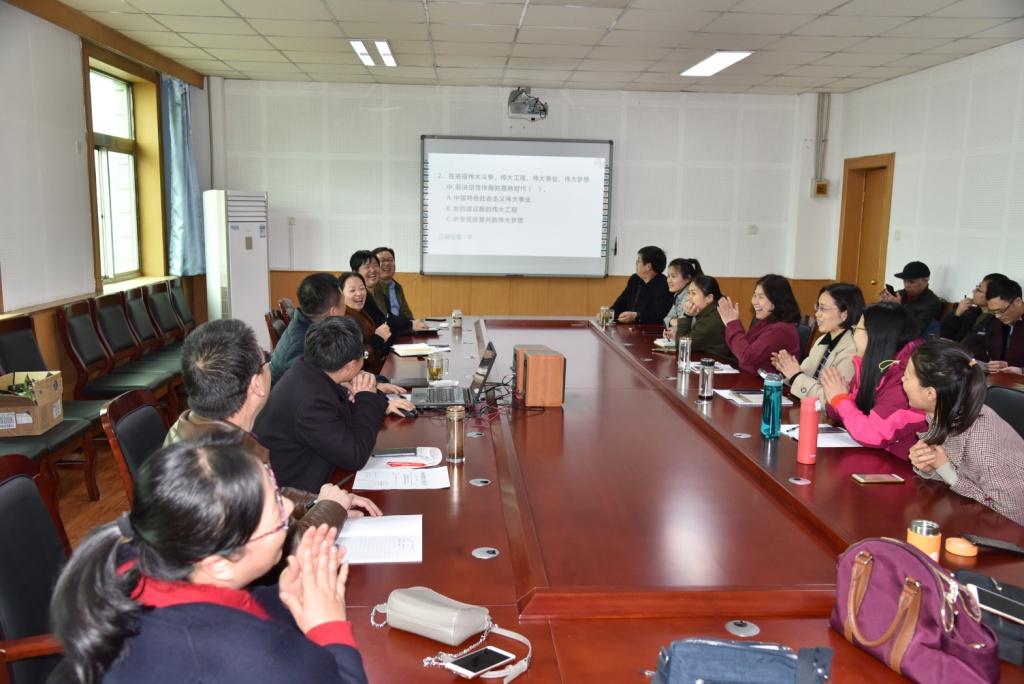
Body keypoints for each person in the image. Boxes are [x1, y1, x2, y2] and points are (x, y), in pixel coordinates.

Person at [48, 434, 368, 684]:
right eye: (278, 519)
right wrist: (329, 625)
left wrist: (284, 598)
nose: (287, 507)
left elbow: (231, 607)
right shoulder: (240, 653)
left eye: (274, 489)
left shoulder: (143, 560)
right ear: (218, 564)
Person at [166, 319, 380, 546]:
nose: (271, 366)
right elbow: (279, 549)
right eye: (267, 360)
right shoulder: (220, 467)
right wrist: (331, 509)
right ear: (256, 385)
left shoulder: (203, 428)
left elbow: (266, 495)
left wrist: (316, 501)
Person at [255, 317, 394, 492]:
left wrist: (362, 394)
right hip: (298, 496)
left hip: (323, 470)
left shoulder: (309, 368)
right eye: (363, 356)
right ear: (349, 366)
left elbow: (346, 419)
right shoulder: (311, 402)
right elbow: (356, 456)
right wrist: (366, 397)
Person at [904, 339, 1024, 525]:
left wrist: (946, 471)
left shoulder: (982, 444)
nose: (902, 380)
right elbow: (959, 474)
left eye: (907, 377)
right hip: (966, 518)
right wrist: (930, 467)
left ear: (930, 394)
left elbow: (1010, 516)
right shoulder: (947, 411)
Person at [820, 302, 927, 460]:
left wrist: (841, 400)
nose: (853, 335)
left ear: (875, 336)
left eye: (857, 329)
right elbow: (837, 413)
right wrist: (838, 398)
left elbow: (875, 434)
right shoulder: (871, 363)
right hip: (872, 455)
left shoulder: (906, 377)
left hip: (899, 465)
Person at [771, 283, 863, 404]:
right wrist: (788, 369)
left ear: (844, 314)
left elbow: (830, 401)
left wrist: (795, 375)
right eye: (818, 307)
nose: (817, 314)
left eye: (823, 309)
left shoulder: (853, 350)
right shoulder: (823, 340)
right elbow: (805, 375)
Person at [718, 274, 801, 375]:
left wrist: (732, 323)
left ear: (777, 300)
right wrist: (729, 324)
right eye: (754, 295)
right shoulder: (766, 321)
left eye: (761, 297)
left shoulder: (782, 329)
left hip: (766, 384)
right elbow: (742, 347)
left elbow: (747, 356)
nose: (754, 302)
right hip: (749, 378)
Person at [269, 273, 344, 385]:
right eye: (344, 303)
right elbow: (307, 389)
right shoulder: (301, 347)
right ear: (333, 312)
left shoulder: (309, 325)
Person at [350, 250, 428, 335]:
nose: (372, 270)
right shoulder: (358, 297)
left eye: (375, 265)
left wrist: (413, 324)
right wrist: (411, 324)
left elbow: (390, 319)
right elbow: (380, 322)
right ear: (355, 272)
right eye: (367, 267)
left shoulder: (382, 295)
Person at [940, 272, 1007, 361]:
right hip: (952, 356)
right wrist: (957, 314)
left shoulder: (999, 321)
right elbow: (944, 335)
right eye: (976, 287)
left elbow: (987, 353)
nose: (973, 291)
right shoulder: (970, 312)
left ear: (993, 296)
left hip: (970, 362)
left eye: (979, 290)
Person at [339, 271, 391, 375]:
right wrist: (378, 339)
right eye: (352, 290)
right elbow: (357, 357)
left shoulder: (361, 312)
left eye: (362, 288)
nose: (359, 293)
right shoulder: (344, 321)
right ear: (341, 294)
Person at [675, 275, 735, 363]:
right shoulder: (713, 311)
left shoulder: (712, 320)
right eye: (689, 293)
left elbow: (682, 345)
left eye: (693, 293)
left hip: (723, 365)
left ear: (709, 298)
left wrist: (687, 316)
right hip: (712, 360)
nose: (689, 298)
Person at [610, 245, 674, 324]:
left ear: (648, 266)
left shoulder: (664, 284)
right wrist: (609, 314)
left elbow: (660, 314)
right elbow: (621, 303)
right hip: (631, 327)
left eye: (638, 261)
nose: (636, 264)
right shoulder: (634, 279)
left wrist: (637, 316)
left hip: (651, 329)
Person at [878, 260, 942, 336]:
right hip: (888, 332)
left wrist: (898, 308)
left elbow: (916, 329)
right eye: (904, 281)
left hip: (906, 338)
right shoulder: (900, 294)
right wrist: (881, 305)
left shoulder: (932, 302)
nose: (907, 285)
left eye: (911, 282)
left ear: (925, 280)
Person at [985, 277, 1024, 375]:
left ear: (1018, 302)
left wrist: (1021, 370)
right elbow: (986, 348)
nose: (997, 316)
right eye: (993, 312)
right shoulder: (997, 320)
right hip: (998, 378)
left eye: (1001, 311)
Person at [372, 246, 417, 321]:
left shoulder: (397, 286)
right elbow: (384, 318)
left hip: (400, 326)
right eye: (382, 260)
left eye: (390, 260)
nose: (387, 263)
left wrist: (414, 323)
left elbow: (406, 313)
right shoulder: (372, 288)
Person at [662, 258, 703, 334]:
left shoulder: (690, 297)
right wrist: (672, 322)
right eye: (668, 276)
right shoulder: (678, 294)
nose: (669, 280)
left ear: (688, 278)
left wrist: (674, 323)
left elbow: (687, 326)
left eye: (673, 276)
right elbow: (666, 319)